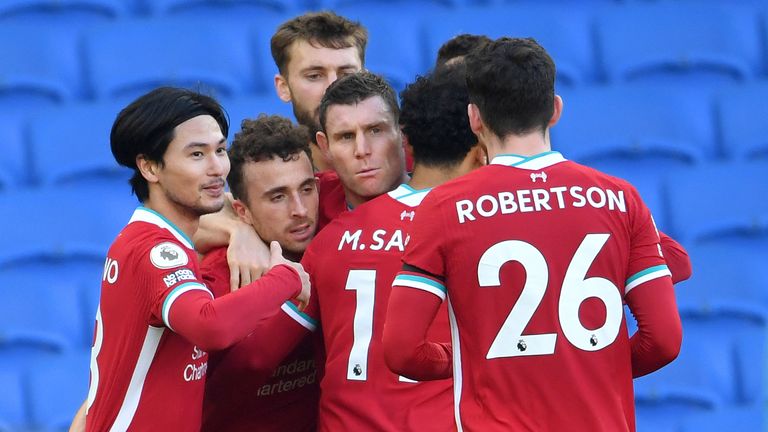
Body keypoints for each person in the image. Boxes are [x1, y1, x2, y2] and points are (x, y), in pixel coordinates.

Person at [383, 38, 682, 431]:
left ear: (475, 119)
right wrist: (597, 369)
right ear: (556, 110)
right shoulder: (620, 198)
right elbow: (663, 339)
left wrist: (467, 360)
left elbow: (401, 351)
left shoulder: (443, 207)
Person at [84, 87, 310, 431]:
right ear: (150, 167)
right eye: (196, 155)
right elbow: (210, 326)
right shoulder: (155, 250)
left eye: (220, 150)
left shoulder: (157, 241)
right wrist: (286, 278)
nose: (217, 167)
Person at [200, 115, 320, 432]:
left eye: (307, 188)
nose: (300, 210)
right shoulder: (211, 283)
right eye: (278, 196)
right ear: (242, 210)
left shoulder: (336, 241)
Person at [271, 11, 367, 171]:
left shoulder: (413, 159)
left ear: (367, 80)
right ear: (284, 87)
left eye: (346, 75)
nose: (333, 88)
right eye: (314, 76)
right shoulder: (270, 185)